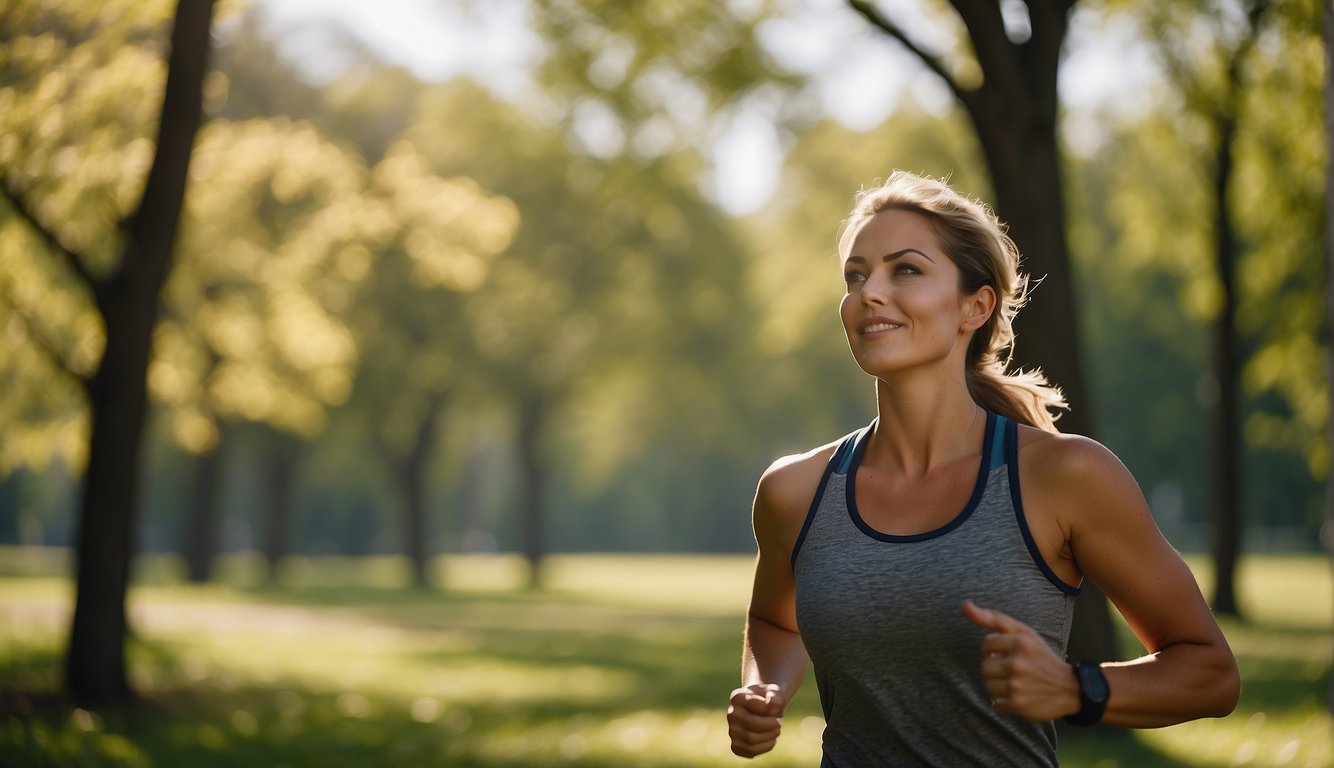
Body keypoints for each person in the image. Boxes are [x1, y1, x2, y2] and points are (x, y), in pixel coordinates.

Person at [725, 171, 1240, 766]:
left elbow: (1209, 672)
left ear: (976, 305)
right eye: (856, 275)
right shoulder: (795, 490)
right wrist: (765, 687)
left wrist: (1077, 690)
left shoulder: (1064, 476)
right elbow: (773, 619)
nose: (869, 292)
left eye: (906, 269)